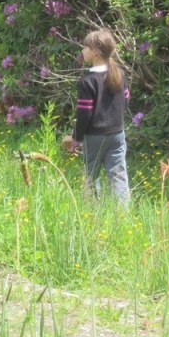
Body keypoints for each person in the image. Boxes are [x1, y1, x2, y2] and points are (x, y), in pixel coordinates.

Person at [62, 28, 131, 205]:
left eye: (85, 47)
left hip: (94, 137)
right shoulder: (120, 74)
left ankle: (93, 213)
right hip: (117, 134)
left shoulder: (88, 81)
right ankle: (123, 217)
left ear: (95, 51)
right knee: (118, 176)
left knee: (91, 176)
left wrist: (75, 137)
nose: (82, 51)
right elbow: (126, 101)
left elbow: (84, 115)